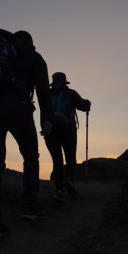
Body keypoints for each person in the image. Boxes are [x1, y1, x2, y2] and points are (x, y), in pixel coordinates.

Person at [0, 30, 53, 240]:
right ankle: (29, 207)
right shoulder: (34, 58)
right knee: (30, 156)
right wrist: (47, 119)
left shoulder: (0, 56)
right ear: (31, 42)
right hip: (19, 108)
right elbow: (43, 90)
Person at [44, 72, 91, 200]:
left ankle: (59, 188)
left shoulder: (46, 95)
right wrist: (87, 103)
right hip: (68, 129)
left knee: (57, 161)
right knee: (70, 158)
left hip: (51, 132)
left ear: (53, 83)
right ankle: (69, 181)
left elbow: (44, 114)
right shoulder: (70, 93)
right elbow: (83, 106)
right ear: (65, 82)